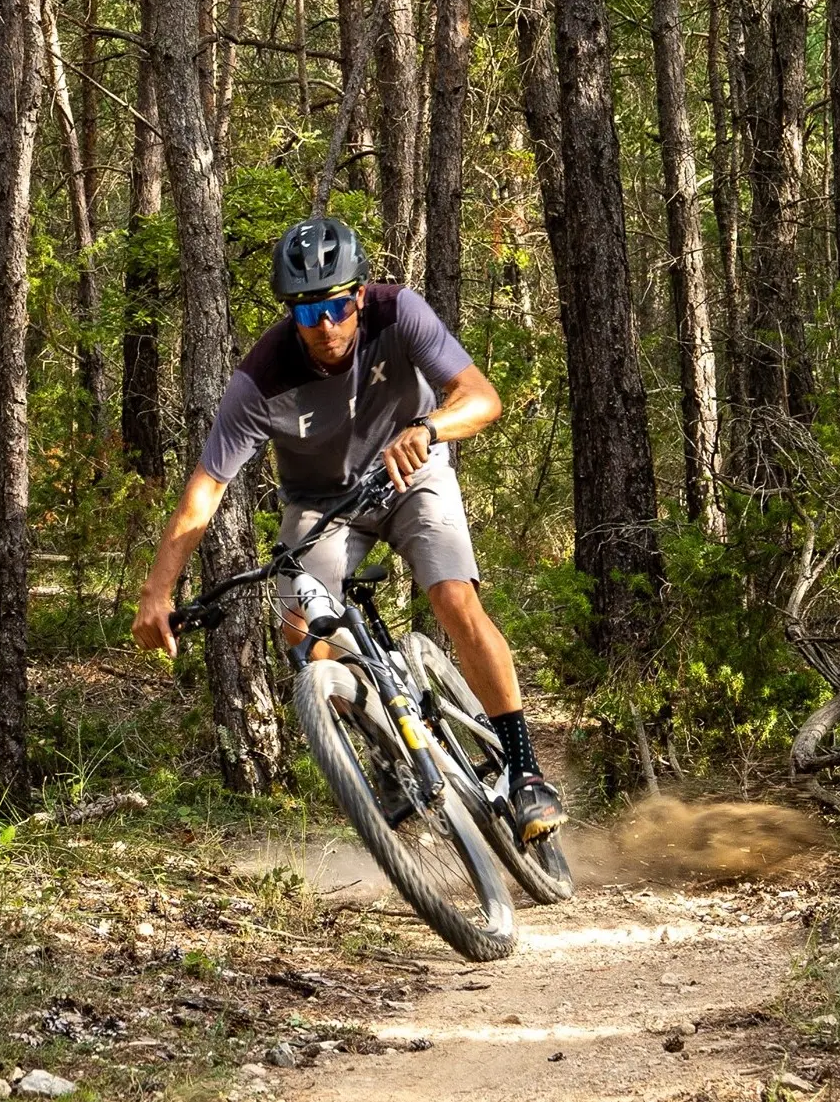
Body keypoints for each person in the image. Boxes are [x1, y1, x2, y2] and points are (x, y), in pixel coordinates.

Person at [131, 216, 567, 842]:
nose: (326, 326)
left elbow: (481, 396)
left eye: (337, 306)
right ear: (291, 316)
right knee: (306, 639)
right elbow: (205, 492)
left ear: (359, 295)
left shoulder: (398, 313)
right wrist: (157, 592)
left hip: (410, 471)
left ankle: (524, 772)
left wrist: (430, 428)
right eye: (308, 315)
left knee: (452, 597)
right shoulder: (262, 378)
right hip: (320, 504)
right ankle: (387, 755)